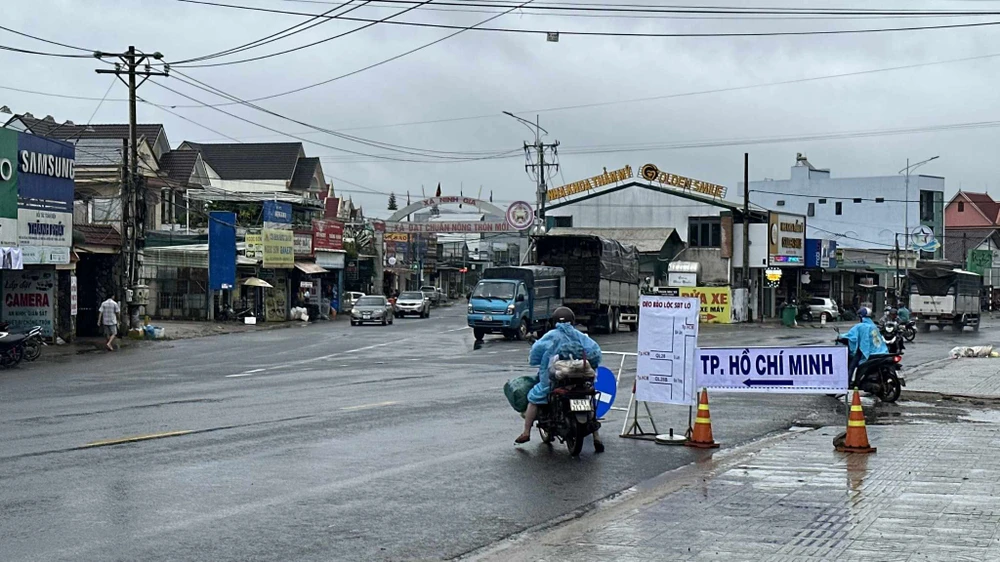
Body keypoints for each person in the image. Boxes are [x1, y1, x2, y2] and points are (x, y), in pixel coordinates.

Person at [515, 307, 605, 453]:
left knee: (534, 397)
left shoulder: (552, 335)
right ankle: (596, 437)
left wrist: (535, 360)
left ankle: (526, 432)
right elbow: (595, 353)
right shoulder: (580, 336)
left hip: (555, 379)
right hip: (581, 378)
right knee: (589, 402)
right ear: (572, 320)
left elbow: (536, 350)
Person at [843, 307, 888, 387]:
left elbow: (851, 336)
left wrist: (840, 336)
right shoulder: (873, 326)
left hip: (866, 351)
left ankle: (847, 382)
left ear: (861, 317)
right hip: (880, 351)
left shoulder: (860, 326)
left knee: (852, 364)